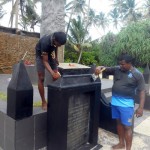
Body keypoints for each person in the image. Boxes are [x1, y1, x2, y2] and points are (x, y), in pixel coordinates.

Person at [95, 54, 145, 150]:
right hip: (115, 103)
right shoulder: (117, 69)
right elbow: (105, 68)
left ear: (130, 63)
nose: (121, 66)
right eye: (120, 64)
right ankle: (121, 143)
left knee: (127, 127)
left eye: (123, 64)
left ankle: (128, 148)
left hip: (127, 105)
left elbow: (142, 91)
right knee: (118, 123)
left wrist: (141, 107)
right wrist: (99, 67)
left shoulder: (137, 74)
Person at [35, 31, 67, 110]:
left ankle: (54, 98)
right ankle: (43, 101)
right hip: (40, 55)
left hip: (50, 53)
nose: (59, 46)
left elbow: (55, 47)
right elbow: (45, 61)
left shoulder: (55, 40)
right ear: (54, 40)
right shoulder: (45, 42)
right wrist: (52, 73)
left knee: (56, 75)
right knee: (41, 77)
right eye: (59, 44)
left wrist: (55, 58)